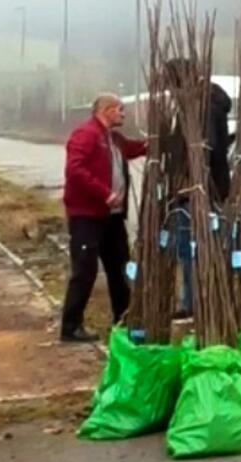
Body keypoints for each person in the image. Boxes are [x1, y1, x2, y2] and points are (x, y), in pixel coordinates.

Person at [60, 94, 147, 343]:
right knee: (85, 270)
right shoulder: (86, 135)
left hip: (112, 218)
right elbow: (75, 170)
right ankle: (70, 326)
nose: (123, 113)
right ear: (106, 110)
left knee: (120, 269)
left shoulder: (114, 139)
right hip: (87, 216)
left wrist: (160, 141)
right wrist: (104, 193)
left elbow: (136, 148)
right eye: (120, 109)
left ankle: (123, 319)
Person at [163, 59, 233, 319]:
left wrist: (190, 180)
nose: (170, 92)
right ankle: (196, 302)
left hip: (199, 189)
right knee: (192, 249)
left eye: (171, 85)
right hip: (198, 188)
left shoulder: (202, 106)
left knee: (194, 249)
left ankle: (196, 305)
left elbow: (207, 147)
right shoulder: (203, 102)